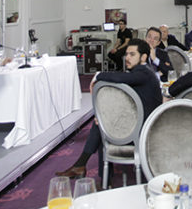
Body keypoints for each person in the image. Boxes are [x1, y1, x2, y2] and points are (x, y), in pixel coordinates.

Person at [59, 39, 161, 178]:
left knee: (103, 126)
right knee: (102, 124)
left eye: (132, 54)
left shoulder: (143, 73)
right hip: (141, 125)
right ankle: (84, 167)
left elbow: (122, 77)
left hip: (143, 133)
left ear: (143, 57)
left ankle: (96, 174)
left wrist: (98, 75)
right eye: (127, 54)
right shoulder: (145, 72)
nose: (127, 58)